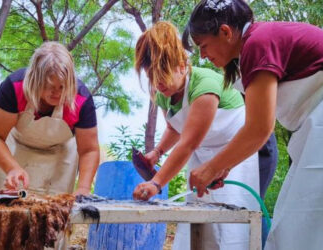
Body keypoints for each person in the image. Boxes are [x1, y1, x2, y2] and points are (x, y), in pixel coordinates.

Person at [183, 0, 323, 249]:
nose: (203, 55)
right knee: (292, 219)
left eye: (204, 45)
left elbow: (259, 128)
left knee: (303, 221)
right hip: (311, 127)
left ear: (225, 32)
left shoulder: (257, 43)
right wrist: (223, 166)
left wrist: (211, 168)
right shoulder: (253, 47)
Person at [132, 21, 260, 250]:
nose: (158, 82)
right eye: (152, 75)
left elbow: (188, 143)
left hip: (235, 150)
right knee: (196, 217)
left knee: (232, 221)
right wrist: (157, 152)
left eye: (163, 73)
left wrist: (156, 183)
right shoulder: (163, 93)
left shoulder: (205, 85)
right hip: (200, 153)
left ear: (182, 65)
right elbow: (175, 128)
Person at [0, 41, 100, 197]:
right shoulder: (15, 87)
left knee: (54, 215)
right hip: (16, 150)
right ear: (36, 79)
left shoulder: (81, 99)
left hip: (61, 156)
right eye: (49, 85)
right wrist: (12, 168)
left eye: (62, 87)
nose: (57, 93)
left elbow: (89, 150)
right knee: (7, 212)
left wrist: (84, 188)